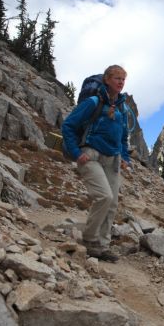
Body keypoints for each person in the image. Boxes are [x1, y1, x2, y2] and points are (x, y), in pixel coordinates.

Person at [62, 65, 131, 262]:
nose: (120, 82)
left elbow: (124, 136)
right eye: (117, 78)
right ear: (107, 79)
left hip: (113, 159)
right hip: (91, 155)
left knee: (112, 204)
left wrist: (125, 158)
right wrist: (76, 152)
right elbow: (68, 125)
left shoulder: (122, 107)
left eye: (123, 79)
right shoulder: (93, 102)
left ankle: (102, 246)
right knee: (104, 197)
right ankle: (90, 239)